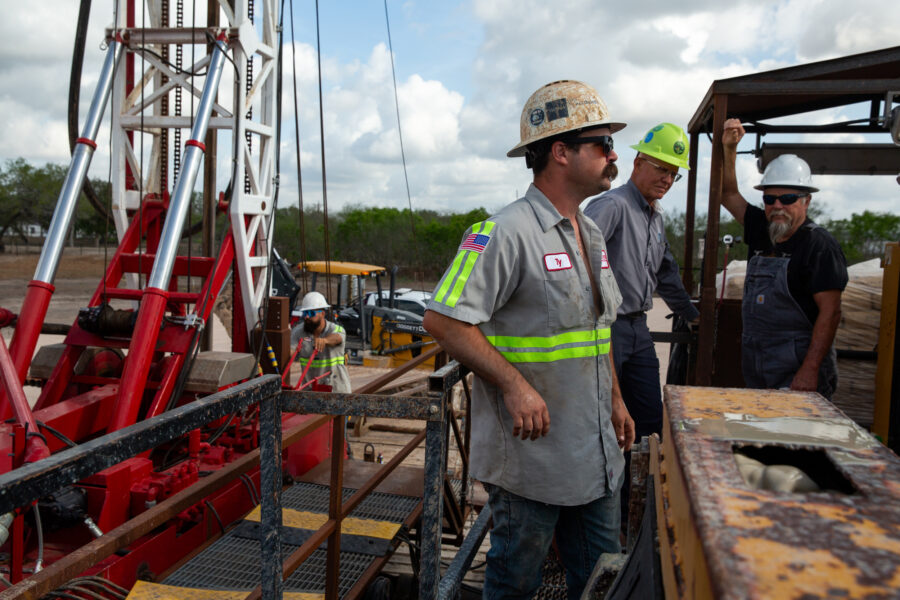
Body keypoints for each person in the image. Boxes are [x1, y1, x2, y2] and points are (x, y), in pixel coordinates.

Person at [423, 80, 635, 599]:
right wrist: (515, 386)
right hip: (532, 462)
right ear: (560, 152)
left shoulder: (592, 234)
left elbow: (594, 329)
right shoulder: (500, 232)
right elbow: (444, 320)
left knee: (601, 580)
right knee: (515, 583)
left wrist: (615, 399)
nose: (613, 155)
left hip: (595, 453)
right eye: (603, 144)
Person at [583, 122, 699, 442]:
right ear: (637, 163)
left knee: (649, 418)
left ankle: (638, 490)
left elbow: (666, 272)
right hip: (608, 328)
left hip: (638, 329)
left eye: (674, 174)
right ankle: (606, 489)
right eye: (661, 168)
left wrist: (691, 314)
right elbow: (579, 259)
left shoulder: (655, 216)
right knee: (601, 414)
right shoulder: (612, 205)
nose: (667, 179)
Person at [720, 118, 847, 398]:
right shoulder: (763, 230)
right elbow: (727, 194)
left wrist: (810, 369)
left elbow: (831, 313)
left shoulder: (819, 246)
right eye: (769, 199)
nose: (778, 206)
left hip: (798, 370)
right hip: (759, 365)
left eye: (788, 198)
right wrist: (729, 149)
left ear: (806, 200)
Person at [290, 291, 351, 393]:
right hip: (310, 391)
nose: (307, 317)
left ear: (323, 314)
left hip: (337, 391)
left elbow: (338, 337)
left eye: (311, 313)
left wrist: (325, 340)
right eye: (305, 313)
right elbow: (289, 352)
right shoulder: (298, 332)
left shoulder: (335, 329)